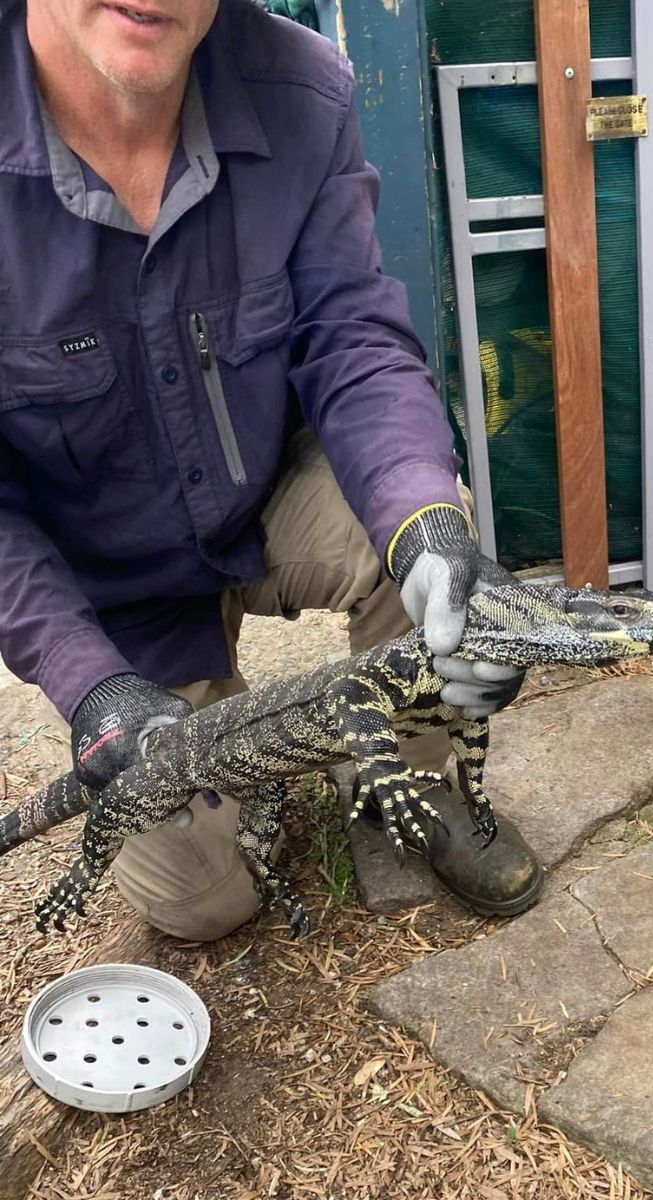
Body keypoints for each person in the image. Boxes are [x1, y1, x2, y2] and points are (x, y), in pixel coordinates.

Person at [0, 0, 545, 940]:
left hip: (262, 496)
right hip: (113, 584)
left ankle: (403, 782)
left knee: (424, 531)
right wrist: (89, 681)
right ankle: (201, 740)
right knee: (207, 907)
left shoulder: (303, 89)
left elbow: (355, 338)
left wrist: (427, 521)